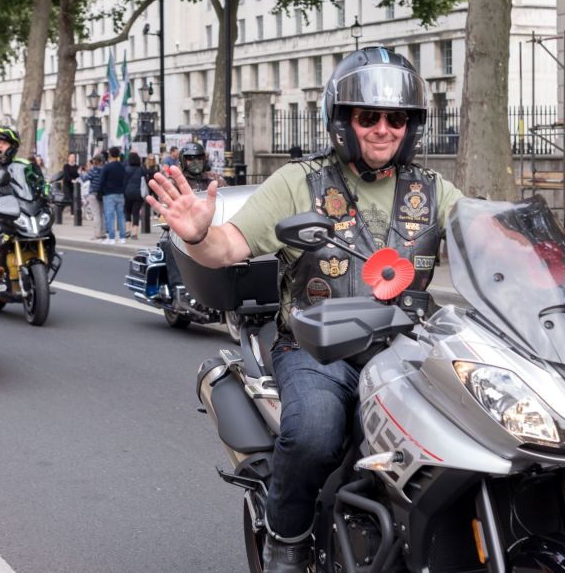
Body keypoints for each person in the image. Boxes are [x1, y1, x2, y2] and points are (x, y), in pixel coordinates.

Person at [147, 46, 463, 572]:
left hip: (407, 350)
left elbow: (490, 241)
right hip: (318, 351)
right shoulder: (299, 182)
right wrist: (199, 234)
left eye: (396, 118)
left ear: (411, 126)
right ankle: (286, 542)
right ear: (342, 121)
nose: (383, 130)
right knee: (315, 432)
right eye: (368, 117)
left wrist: (541, 257)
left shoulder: (433, 190)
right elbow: (228, 247)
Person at [0, 124, 49, 197]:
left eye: (4, 143)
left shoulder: (25, 166)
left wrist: (49, 191)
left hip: (19, 205)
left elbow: (42, 184)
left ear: (13, 146)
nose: (0, 146)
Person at [97, 146, 127, 244]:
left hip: (109, 194)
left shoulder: (107, 167)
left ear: (110, 155)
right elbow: (125, 180)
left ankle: (111, 237)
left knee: (110, 216)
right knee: (121, 215)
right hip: (120, 193)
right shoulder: (122, 166)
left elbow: (101, 181)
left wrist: (99, 193)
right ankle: (122, 237)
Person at [123, 151, 146, 240]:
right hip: (138, 193)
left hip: (127, 193)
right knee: (136, 213)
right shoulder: (141, 169)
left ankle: (127, 230)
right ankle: (135, 233)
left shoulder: (126, 169)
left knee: (127, 211)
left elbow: (124, 182)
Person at [85, 156, 104, 237]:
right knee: (101, 214)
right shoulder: (103, 170)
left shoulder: (92, 171)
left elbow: (84, 178)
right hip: (101, 193)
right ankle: (102, 233)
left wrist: (82, 172)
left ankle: (97, 234)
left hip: (93, 193)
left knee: (95, 214)